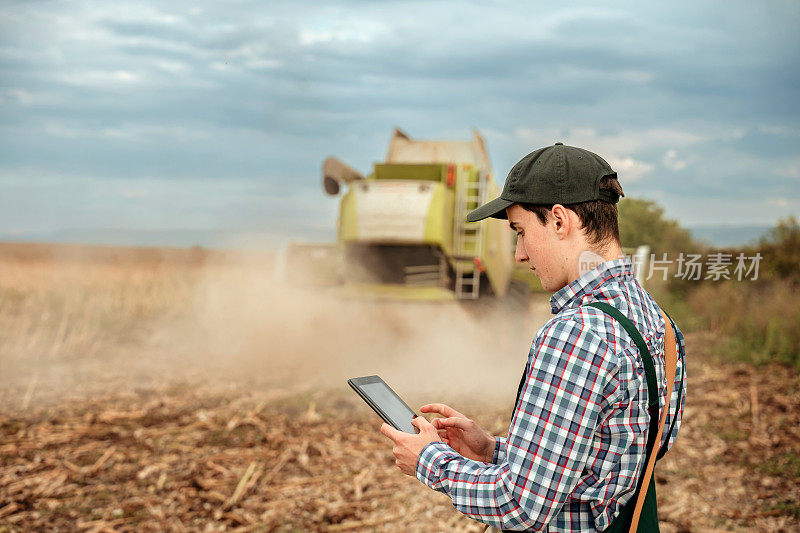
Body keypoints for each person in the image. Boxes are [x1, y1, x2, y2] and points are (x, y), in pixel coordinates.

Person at [380, 142, 687, 531]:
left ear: (559, 220)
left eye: (521, 231)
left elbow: (520, 505)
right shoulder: (657, 319)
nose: (519, 254)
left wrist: (428, 460)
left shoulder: (577, 334)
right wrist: (492, 450)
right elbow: (610, 459)